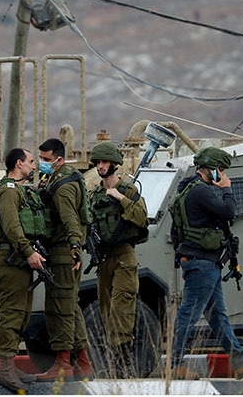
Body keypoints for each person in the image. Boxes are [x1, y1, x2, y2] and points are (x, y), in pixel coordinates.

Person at [168, 147, 243, 380]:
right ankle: (174, 365)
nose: (222, 174)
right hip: (201, 262)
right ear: (211, 168)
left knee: (217, 315)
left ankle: (241, 362)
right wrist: (227, 189)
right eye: (220, 170)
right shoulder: (201, 191)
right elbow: (229, 212)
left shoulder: (188, 189)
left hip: (201, 261)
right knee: (189, 314)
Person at [34, 138, 94, 381]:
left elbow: (70, 219)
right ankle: (83, 362)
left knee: (59, 308)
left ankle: (62, 364)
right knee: (70, 306)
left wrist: (74, 247)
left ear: (59, 159)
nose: (42, 164)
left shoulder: (63, 186)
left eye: (46, 160)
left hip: (62, 253)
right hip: (61, 251)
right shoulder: (61, 177)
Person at [87, 141, 148, 378]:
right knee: (106, 312)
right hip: (104, 259)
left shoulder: (129, 190)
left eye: (104, 162)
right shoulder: (94, 193)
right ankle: (112, 364)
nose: (100, 166)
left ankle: (125, 365)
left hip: (124, 256)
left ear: (114, 164)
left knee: (122, 311)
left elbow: (142, 217)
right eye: (97, 163)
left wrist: (120, 197)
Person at [0, 148, 45, 393]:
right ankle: (4, 369)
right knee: (11, 314)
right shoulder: (8, 192)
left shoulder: (19, 191)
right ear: (19, 164)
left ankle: (10, 366)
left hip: (20, 261)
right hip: (13, 260)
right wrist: (29, 251)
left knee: (21, 314)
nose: (34, 167)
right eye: (31, 162)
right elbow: (13, 228)